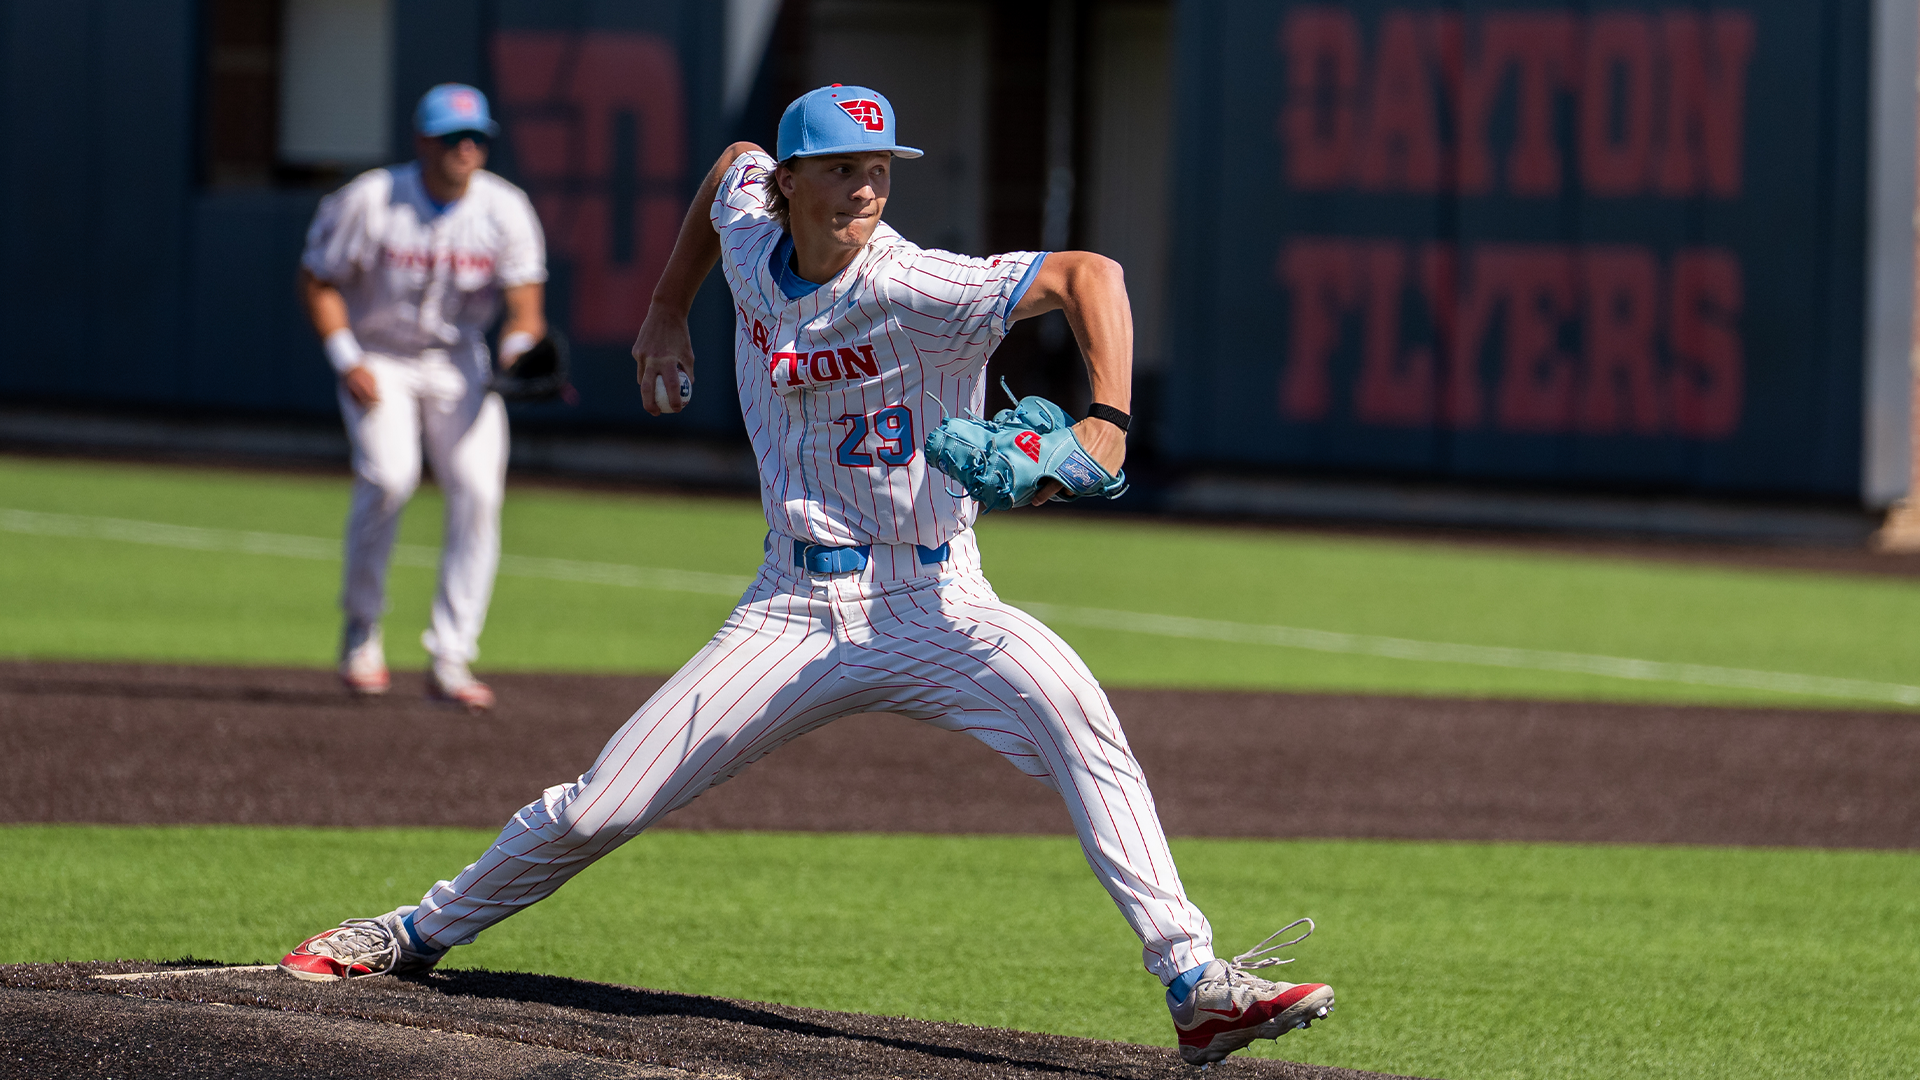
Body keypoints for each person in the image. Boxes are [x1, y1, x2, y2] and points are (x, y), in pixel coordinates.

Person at [277, 85, 1334, 1066]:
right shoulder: (749, 231)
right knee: (602, 807)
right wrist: (664, 305)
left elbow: (1089, 275)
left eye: (879, 164)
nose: (866, 183)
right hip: (790, 607)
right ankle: (416, 929)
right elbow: (730, 158)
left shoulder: (921, 282)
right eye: (838, 166)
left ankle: (1195, 982)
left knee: (1080, 720)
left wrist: (1105, 421)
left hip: (937, 599)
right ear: (790, 184)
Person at [299, 83, 548, 711]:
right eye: (452, 138)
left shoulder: (505, 208)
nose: (466, 148)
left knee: (479, 492)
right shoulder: (373, 198)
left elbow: (525, 309)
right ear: (424, 141)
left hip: (460, 361)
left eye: (477, 138)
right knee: (388, 477)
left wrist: (519, 352)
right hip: (379, 355)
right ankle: (361, 627)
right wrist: (345, 357)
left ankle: (451, 654)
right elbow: (319, 278)